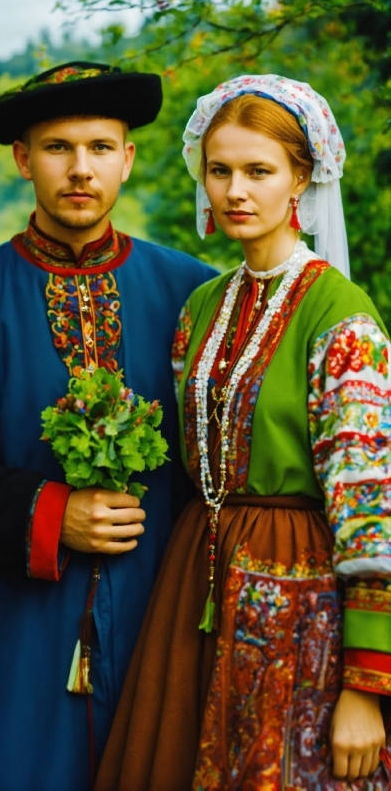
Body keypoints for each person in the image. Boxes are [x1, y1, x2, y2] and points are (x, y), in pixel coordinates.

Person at [95, 74, 391, 791]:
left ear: (303, 177)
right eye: (220, 170)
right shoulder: (202, 307)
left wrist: (368, 685)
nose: (235, 190)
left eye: (259, 171)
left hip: (302, 596)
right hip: (195, 584)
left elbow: (372, 506)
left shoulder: (342, 317)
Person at [0, 61, 216, 791]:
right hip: (19, 634)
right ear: (21, 158)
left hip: (162, 621)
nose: (80, 169)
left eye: (101, 148)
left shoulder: (194, 294)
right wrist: (51, 514)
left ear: (128, 159)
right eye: (57, 148)